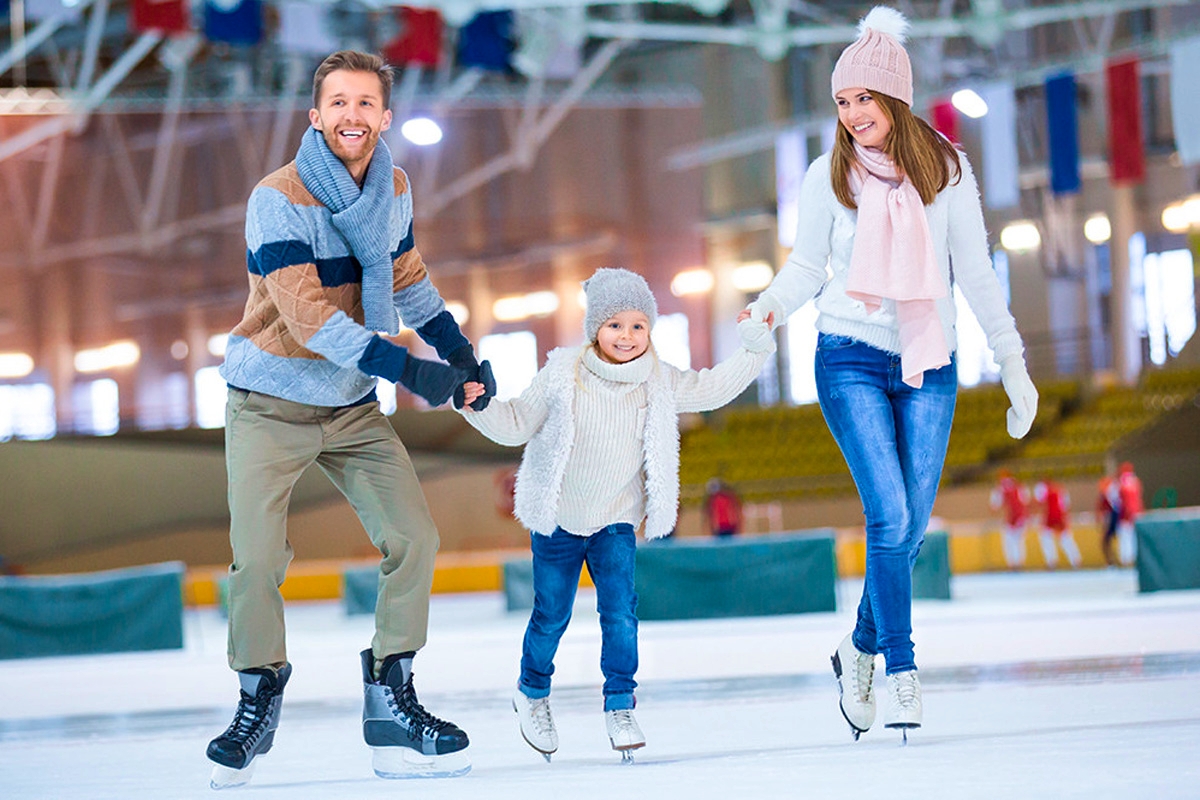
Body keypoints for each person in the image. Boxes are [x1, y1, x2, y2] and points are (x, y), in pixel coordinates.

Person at [738, 6, 1038, 742]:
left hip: (928, 360)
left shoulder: (948, 170)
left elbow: (974, 271)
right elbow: (808, 266)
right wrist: (770, 308)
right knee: (890, 516)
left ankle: (858, 647)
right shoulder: (827, 173)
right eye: (841, 102)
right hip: (847, 357)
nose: (851, 114)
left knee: (907, 531)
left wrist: (1014, 362)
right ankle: (901, 670)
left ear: (894, 99)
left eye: (863, 99)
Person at [206, 50, 494, 788]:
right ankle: (257, 692)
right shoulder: (278, 197)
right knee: (260, 558)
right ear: (315, 115)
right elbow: (305, 322)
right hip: (269, 402)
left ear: (385, 116)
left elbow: (405, 276)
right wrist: (411, 370)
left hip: (352, 406)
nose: (352, 116)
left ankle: (390, 698)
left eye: (365, 103)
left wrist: (460, 355)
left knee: (414, 537)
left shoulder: (391, 186)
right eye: (339, 103)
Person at [459, 268, 774, 762]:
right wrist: (473, 405)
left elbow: (713, 388)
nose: (626, 337)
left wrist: (756, 348)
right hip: (560, 520)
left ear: (650, 331)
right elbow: (516, 422)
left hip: (615, 523)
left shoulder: (660, 380)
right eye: (614, 325)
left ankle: (620, 704)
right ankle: (532, 692)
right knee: (551, 617)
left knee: (621, 616)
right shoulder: (563, 373)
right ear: (594, 330)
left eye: (637, 326)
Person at [1032, 478, 1082, 569]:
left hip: (1053, 517)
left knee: (1053, 539)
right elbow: (1066, 506)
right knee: (1063, 539)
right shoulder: (1060, 490)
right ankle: (1074, 561)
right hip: (1056, 516)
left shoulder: (1046, 490)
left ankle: (1053, 562)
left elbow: (1040, 504)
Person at [991, 469, 1031, 570]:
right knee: (1019, 541)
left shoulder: (1001, 488)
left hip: (1012, 517)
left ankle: (1012, 563)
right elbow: (1026, 502)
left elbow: (994, 506)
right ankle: (1019, 563)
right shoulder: (1020, 485)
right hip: (1021, 517)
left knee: (1009, 541)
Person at [1115, 461, 1144, 565]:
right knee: (1133, 536)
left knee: (1125, 537)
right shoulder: (1136, 481)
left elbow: (1120, 499)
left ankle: (1126, 559)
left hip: (1126, 514)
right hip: (1135, 512)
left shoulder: (1122, 482)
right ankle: (1134, 557)